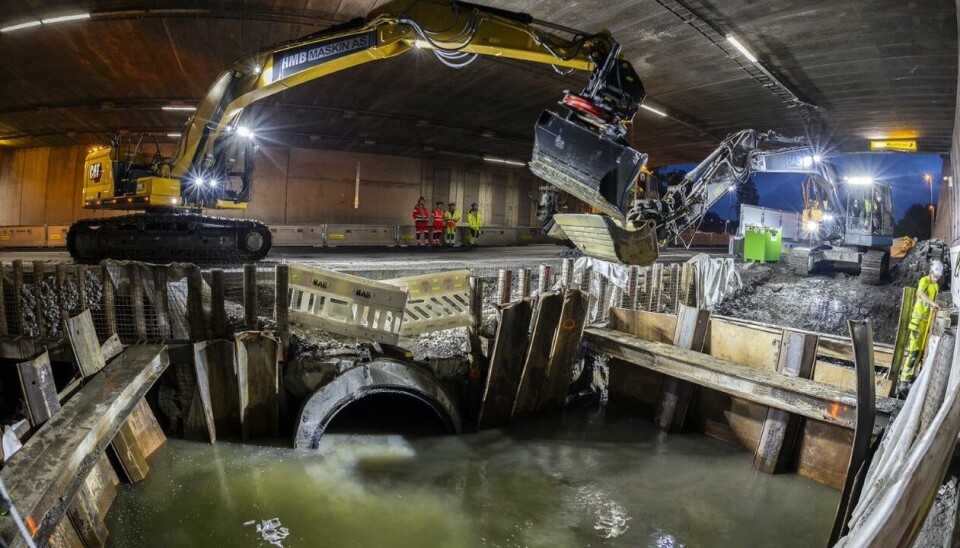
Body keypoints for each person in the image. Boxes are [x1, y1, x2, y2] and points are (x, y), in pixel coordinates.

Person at [897, 259, 944, 396]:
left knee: (920, 352)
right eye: (935, 276)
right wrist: (931, 303)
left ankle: (911, 378)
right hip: (917, 322)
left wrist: (933, 308)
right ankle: (903, 380)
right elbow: (920, 294)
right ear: (931, 272)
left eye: (938, 277)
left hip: (925, 324)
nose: (936, 279)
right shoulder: (924, 281)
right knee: (913, 351)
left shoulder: (935, 286)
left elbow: (931, 303)